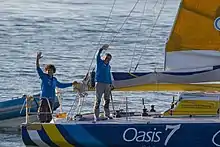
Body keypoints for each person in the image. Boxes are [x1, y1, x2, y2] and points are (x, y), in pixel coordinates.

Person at [36, 52, 73, 123]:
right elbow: (38, 68)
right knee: (42, 114)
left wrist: (71, 84)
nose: (49, 71)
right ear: (46, 71)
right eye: (48, 70)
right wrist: (37, 59)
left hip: (51, 99)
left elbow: (61, 85)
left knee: (49, 115)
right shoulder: (43, 77)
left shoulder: (54, 79)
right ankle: (41, 124)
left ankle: (48, 125)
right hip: (44, 98)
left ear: (53, 71)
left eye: (51, 70)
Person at [93, 44, 113, 122]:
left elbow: (109, 75)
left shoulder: (108, 66)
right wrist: (101, 49)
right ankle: (96, 116)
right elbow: (97, 55)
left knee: (107, 99)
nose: (108, 59)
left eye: (109, 59)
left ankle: (107, 114)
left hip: (107, 84)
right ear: (104, 57)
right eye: (107, 58)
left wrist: (111, 83)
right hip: (99, 83)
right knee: (98, 100)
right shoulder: (99, 62)